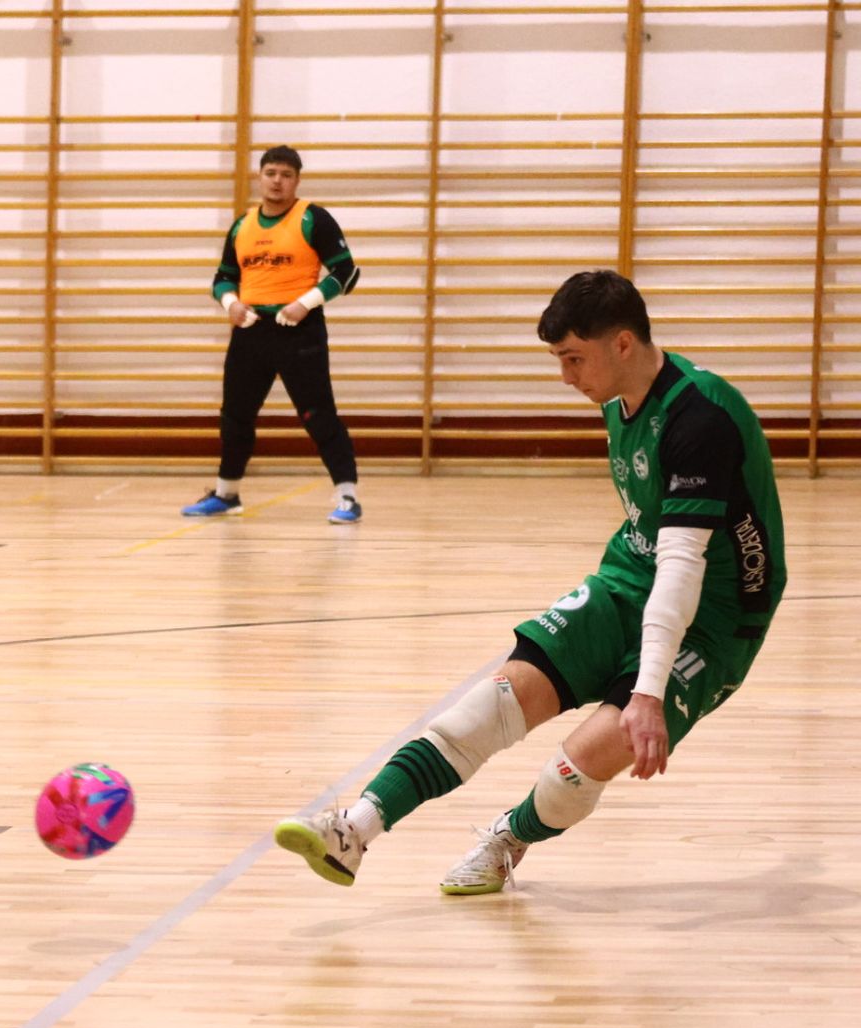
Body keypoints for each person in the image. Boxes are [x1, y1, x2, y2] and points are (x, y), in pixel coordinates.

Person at [274, 270, 786, 894]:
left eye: (574, 359)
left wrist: (647, 695)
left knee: (582, 762)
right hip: (631, 575)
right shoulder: (618, 394)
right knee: (492, 704)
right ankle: (353, 831)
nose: (565, 376)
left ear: (622, 344)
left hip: (717, 615)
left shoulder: (699, 420)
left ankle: (507, 841)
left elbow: (683, 568)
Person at [181, 145, 363, 524]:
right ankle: (226, 493)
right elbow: (223, 276)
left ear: (297, 180)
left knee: (317, 414)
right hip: (251, 332)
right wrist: (230, 303)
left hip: (299, 330)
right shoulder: (242, 225)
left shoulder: (313, 218)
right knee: (236, 415)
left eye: (286, 174)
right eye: (271, 173)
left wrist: (306, 303)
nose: (277, 181)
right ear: (259, 176)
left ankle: (347, 497)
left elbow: (346, 272)